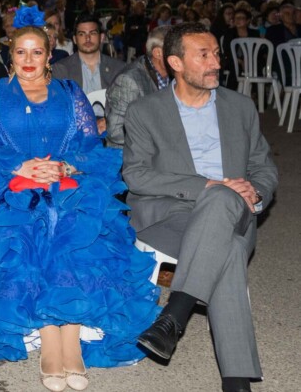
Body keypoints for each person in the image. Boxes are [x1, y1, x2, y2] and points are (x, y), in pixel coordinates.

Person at [0, 23, 161, 390]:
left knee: (72, 217)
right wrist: (20, 164)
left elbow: (90, 142)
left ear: (50, 55)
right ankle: (51, 336)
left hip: (68, 179)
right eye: (21, 52)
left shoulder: (69, 91)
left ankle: (71, 337)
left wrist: (66, 165)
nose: (29, 60)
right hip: (12, 182)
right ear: (10, 55)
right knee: (42, 217)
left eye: (37, 52)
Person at [125, 23, 279, 392]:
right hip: (169, 216)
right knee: (227, 248)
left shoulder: (239, 107)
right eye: (204, 55)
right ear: (175, 62)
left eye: (216, 53)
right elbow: (136, 176)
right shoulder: (145, 111)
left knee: (224, 202)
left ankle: (174, 315)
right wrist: (208, 185)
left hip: (233, 209)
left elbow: (264, 167)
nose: (216, 63)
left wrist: (255, 192)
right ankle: (236, 381)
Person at [105, 26, 170, 149]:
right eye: (176, 49)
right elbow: (116, 131)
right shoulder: (129, 81)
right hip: (134, 156)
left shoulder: (175, 75)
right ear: (158, 53)